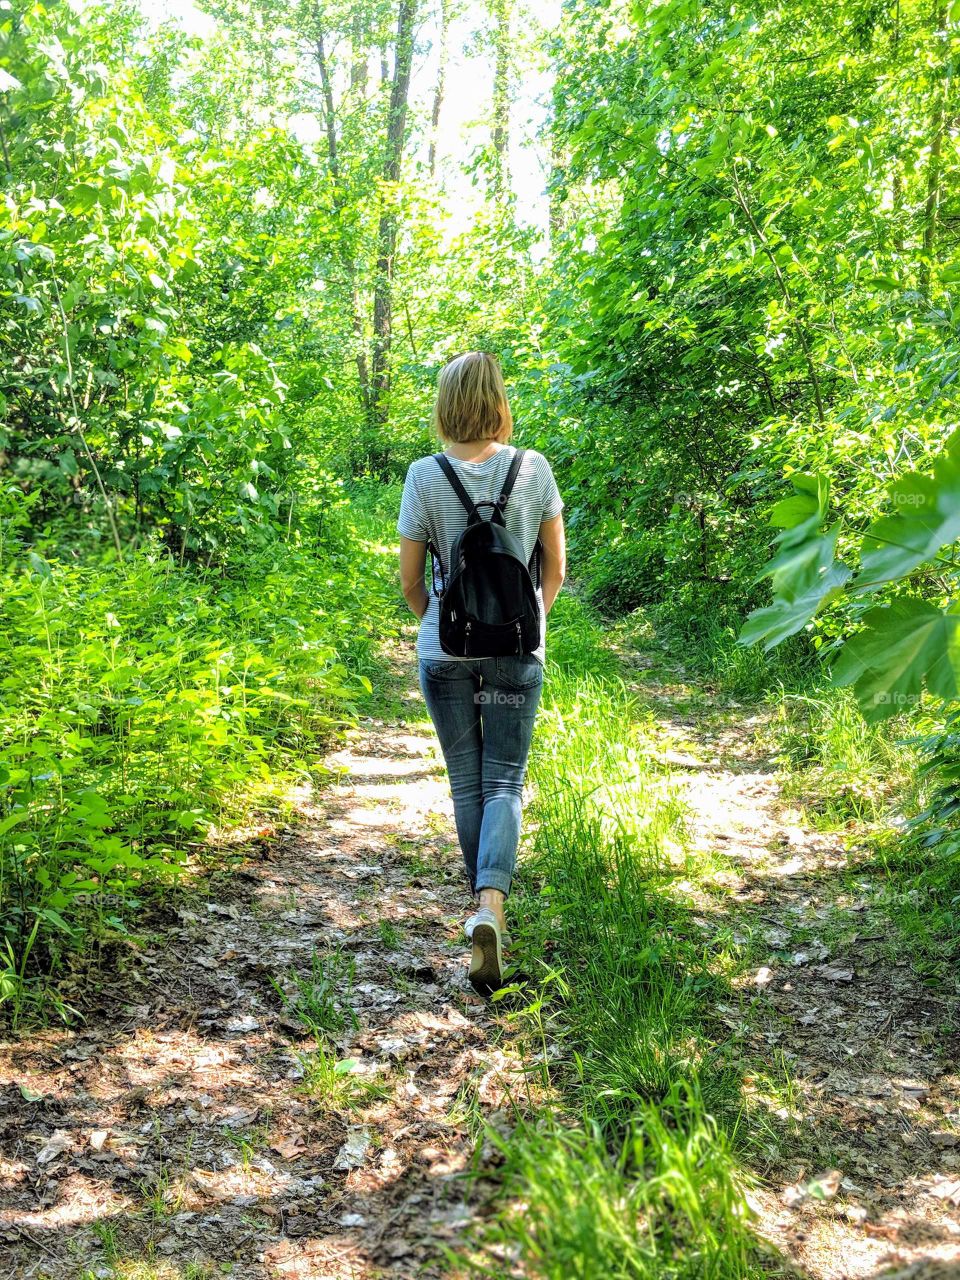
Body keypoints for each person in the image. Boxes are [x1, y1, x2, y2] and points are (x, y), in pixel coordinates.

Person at [397, 351, 566, 994]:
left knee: (467, 785)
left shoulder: (424, 474)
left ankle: (479, 915)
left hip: (446, 654)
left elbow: (411, 579)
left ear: (445, 405)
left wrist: (438, 620)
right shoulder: (535, 468)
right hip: (516, 652)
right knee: (505, 783)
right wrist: (530, 624)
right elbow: (553, 569)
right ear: (499, 400)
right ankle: (491, 907)